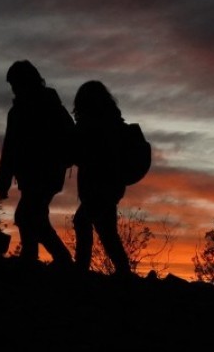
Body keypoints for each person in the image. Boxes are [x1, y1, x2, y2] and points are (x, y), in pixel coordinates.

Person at [0, 60, 73, 267]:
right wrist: (3, 180)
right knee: (33, 216)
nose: (14, 89)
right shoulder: (22, 111)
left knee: (27, 215)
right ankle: (34, 257)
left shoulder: (48, 106)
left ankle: (58, 259)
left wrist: (4, 180)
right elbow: (10, 148)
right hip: (33, 174)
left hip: (47, 173)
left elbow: (10, 148)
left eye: (15, 84)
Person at [71, 80, 133, 278]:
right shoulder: (112, 121)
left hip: (101, 185)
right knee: (106, 229)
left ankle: (81, 268)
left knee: (83, 221)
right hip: (110, 184)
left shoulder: (96, 124)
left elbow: (87, 154)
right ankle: (123, 271)